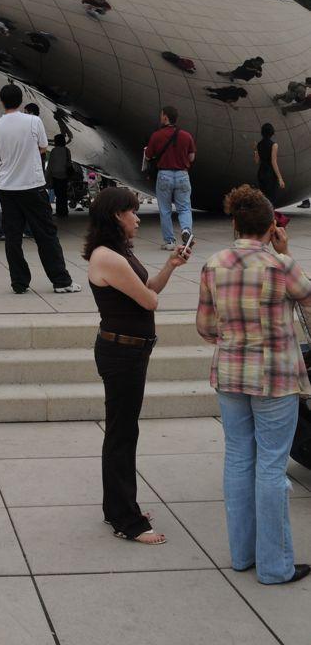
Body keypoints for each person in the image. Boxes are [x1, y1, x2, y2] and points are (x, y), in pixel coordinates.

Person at [197, 185, 311, 584]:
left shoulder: (214, 263)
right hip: (275, 376)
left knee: (238, 460)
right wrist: (286, 251)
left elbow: (206, 327)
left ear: (234, 223)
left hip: (230, 373)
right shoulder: (281, 265)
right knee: (271, 466)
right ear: (272, 226)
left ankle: (243, 555)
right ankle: (275, 565)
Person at [87, 186, 191, 543]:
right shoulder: (107, 257)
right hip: (121, 353)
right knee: (122, 434)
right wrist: (149, 292)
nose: (137, 217)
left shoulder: (120, 253)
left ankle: (116, 507)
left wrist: (171, 265)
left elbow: (150, 287)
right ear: (117, 215)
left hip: (131, 350)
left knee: (122, 431)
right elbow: (148, 301)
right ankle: (126, 521)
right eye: (132, 211)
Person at [0, 85, 80, 294]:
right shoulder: (33, 121)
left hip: (6, 187)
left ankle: (19, 283)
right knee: (46, 234)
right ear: (21, 102)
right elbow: (41, 147)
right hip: (32, 185)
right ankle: (61, 281)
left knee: (13, 238)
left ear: (1, 102)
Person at [143, 106, 196, 251]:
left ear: (166, 117)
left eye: (161, 116)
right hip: (182, 175)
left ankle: (170, 242)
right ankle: (186, 230)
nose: (160, 118)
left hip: (164, 175)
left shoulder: (157, 135)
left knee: (165, 209)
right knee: (184, 207)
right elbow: (191, 157)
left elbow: (148, 156)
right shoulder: (186, 136)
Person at [255, 123, 285, 205]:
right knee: (271, 198)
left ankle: (263, 216)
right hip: (270, 173)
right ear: (272, 132)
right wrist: (280, 178)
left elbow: (257, 161)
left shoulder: (258, 145)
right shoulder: (274, 145)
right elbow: (273, 162)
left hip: (261, 173)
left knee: (263, 197)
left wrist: (255, 150)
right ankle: (270, 216)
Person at [46, 133, 73, 218]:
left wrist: (48, 174)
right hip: (64, 175)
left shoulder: (54, 150)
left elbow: (51, 164)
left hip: (55, 175)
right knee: (63, 194)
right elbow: (69, 162)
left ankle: (59, 212)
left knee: (58, 195)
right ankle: (64, 211)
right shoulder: (66, 150)